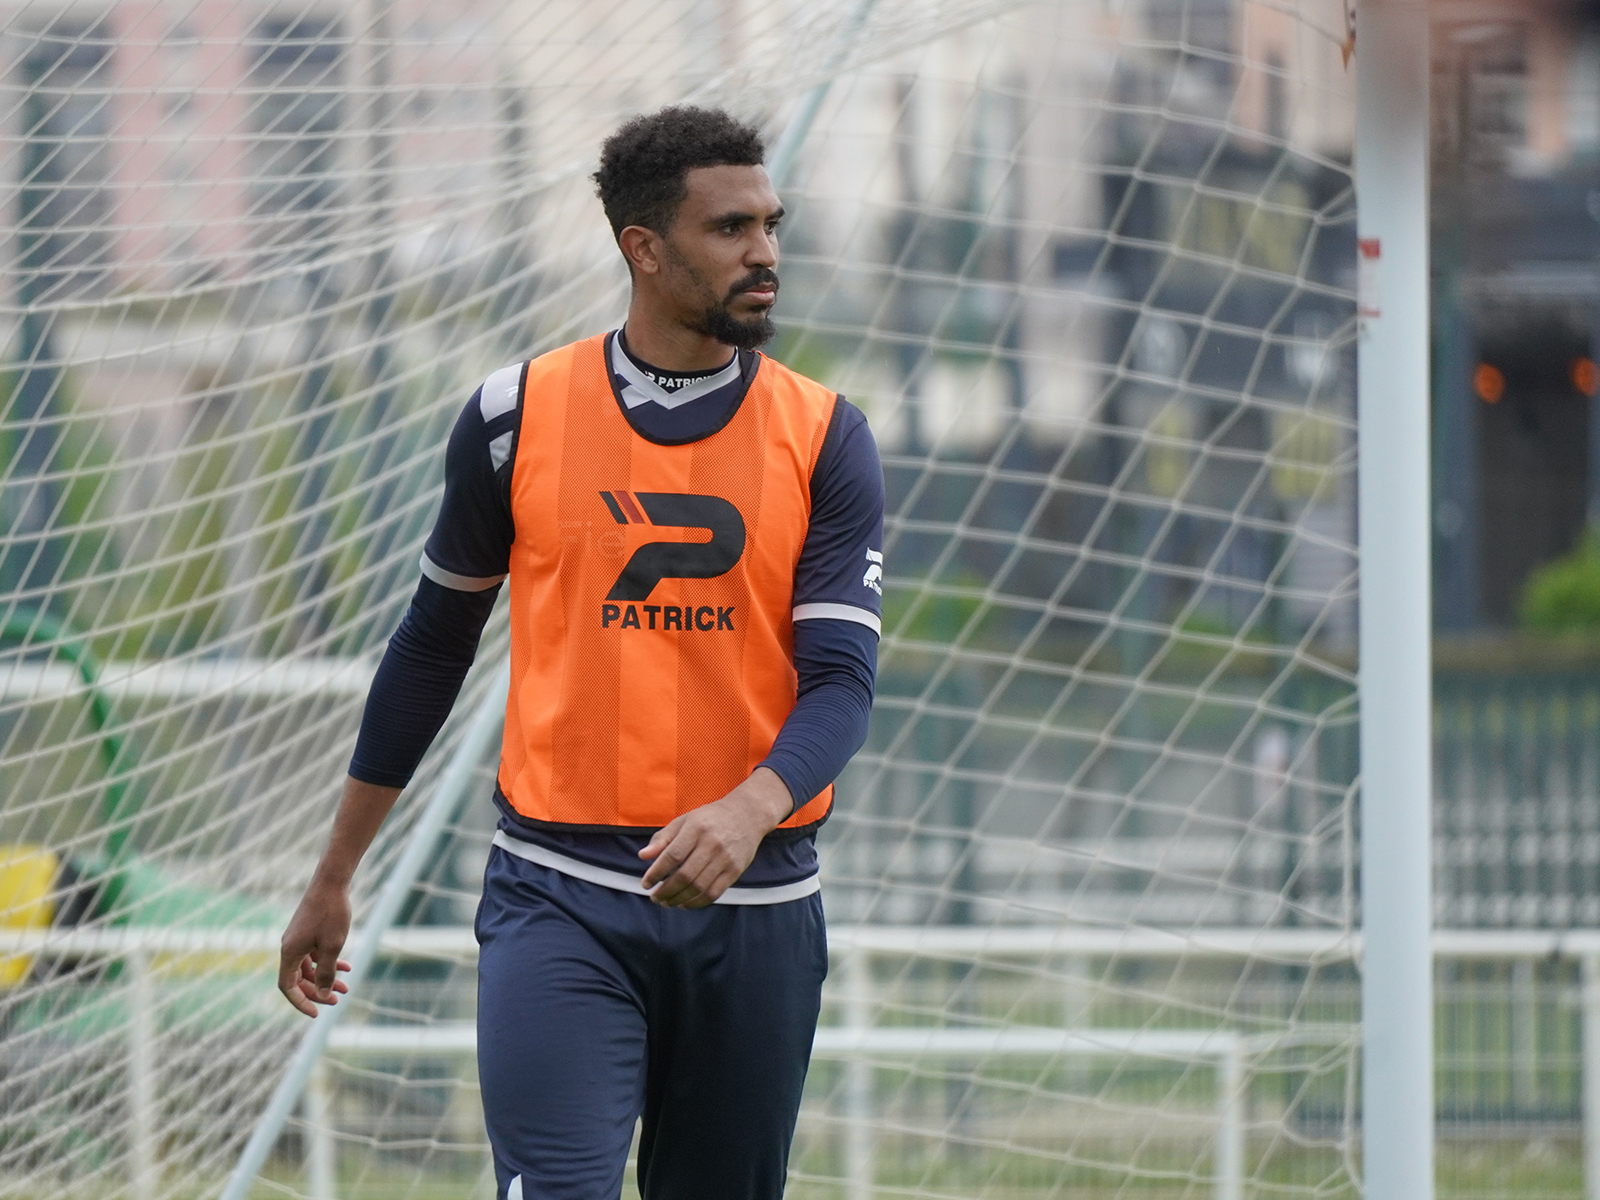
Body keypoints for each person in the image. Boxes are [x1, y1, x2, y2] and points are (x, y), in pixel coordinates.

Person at [276, 105, 885, 1200]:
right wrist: (334, 875)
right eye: (730, 228)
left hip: (756, 910)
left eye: (771, 225)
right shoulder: (513, 418)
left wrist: (749, 809)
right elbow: (430, 648)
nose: (764, 253)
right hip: (558, 897)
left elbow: (841, 683)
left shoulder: (826, 436)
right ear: (643, 248)